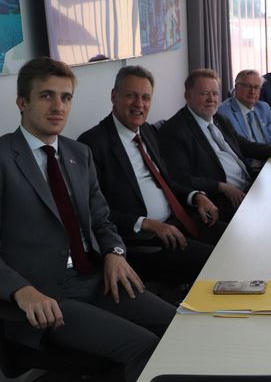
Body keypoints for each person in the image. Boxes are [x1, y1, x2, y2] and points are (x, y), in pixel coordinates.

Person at [0, 57, 174, 382]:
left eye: (66, 97)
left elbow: (101, 219)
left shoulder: (78, 154)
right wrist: (21, 290)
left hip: (95, 277)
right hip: (45, 294)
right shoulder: (4, 158)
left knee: (178, 324)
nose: (58, 106)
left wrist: (114, 253)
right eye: (47, 96)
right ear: (22, 102)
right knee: (144, 346)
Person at [78, 66, 226, 287]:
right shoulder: (91, 144)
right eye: (131, 96)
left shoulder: (147, 131)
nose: (139, 104)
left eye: (146, 97)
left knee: (234, 240)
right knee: (219, 263)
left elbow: (166, 182)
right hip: (145, 239)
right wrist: (146, 223)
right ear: (114, 96)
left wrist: (195, 196)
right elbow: (93, 212)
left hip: (178, 221)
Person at [159, 69, 271, 221]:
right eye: (204, 93)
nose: (211, 99)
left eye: (215, 94)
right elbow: (181, 178)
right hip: (221, 200)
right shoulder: (175, 130)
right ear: (188, 95)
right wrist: (222, 187)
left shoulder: (218, 118)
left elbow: (244, 145)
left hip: (249, 185)